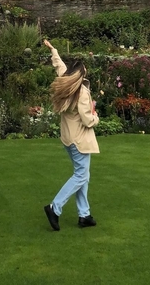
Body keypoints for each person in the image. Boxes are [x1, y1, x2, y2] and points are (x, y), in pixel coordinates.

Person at [43, 39, 100, 231]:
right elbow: (87, 120)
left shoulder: (66, 85)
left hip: (68, 139)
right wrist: (96, 116)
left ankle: (84, 215)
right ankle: (54, 207)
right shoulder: (81, 93)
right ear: (81, 75)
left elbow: (60, 66)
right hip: (80, 141)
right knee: (80, 176)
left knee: (83, 175)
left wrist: (53, 50)